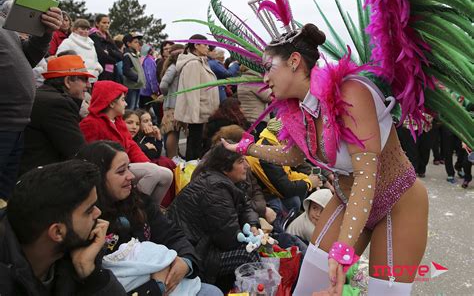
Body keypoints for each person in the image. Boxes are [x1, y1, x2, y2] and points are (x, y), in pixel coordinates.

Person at [223, 23, 428, 295]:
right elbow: (294, 156)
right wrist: (247, 149)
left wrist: (343, 248)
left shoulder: (351, 93)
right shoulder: (300, 110)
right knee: (310, 285)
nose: (265, 79)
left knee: (384, 293)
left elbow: (367, 177)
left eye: (268, 67)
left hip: (398, 203)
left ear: (294, 61)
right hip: (347, 200)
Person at [75, 141, 223, 296]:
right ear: (98, 178)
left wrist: (186, 262)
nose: (131, 176)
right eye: (120, 172)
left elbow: (171, 233)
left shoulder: (137, 201)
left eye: (129, 168)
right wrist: (156, 287)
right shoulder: (87, 224)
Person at [0, 160, 127, 295]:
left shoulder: (71, 252)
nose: (98, 213)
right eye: (89, 210)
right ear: (58, 232)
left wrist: (90, 273)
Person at [167, 143, 260, 292]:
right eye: (241, 162)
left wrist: (252, 224)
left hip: (205, 245)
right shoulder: (215, 188)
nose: (247, 166)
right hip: (195, 254)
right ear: (225, 168)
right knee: (249, 256)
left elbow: (246, 205)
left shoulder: (225, 181)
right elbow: (229, 239)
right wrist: (251, 239)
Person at [0, 2, 62, 200]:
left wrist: (46, 32)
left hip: (15, 125)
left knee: (4, 197)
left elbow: (28, 58)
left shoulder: (4, 24)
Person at [80, 81, 173, 207]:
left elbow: (131, 146)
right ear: (112, 103)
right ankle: (133, 208)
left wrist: (146, 163)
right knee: (154, 172)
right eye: (123, 100)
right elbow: (89, 153)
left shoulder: (118, 122)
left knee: (167, 174)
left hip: (124, 166)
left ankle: (151, 210)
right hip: (108, 171)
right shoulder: (91, 123)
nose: (126, 103)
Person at [19, 55, 94, 175]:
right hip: (40, 178)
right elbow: (77, 151)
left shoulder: (44, 96)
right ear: (68, 81)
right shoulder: (57, 104)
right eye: (85, 79)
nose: (89, 85)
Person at [246, 118, 321, 215]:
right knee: (294, 200)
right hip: (264, 195)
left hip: (271, 190)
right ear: (283, 136)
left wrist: (307, 178)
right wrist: (309, 182)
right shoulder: (267, 154)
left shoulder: (272, 144)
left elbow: (287, 174)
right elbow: (284, 190)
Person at [174, 34, 220, 160]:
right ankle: (191, 172)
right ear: (196, 45)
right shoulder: (193, 64)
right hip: (199, 113)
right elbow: (192, 92)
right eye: (204, 45)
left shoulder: (201, 62)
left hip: (203, 112)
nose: (207, 48)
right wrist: (193, 117)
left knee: (198, 144)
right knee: (194, 145)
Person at [159, 43, 185, 158]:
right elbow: (163, 84)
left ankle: (174, 157)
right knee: (172, 132)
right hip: (172, 106)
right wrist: (168, 95)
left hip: (175, 105)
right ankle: (172, 158)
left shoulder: (177, 67)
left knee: (175, 132)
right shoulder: (173, 67)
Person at [237, 65, 273, 138]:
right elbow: (269, 96)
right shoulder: (254, 80)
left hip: (250, 117)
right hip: (258, 119)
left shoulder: (244, 78)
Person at [89, 14, 123, 81]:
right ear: (97, 23)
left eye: (108, 23)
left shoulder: (108, 37)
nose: (107, 25)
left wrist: (110, 52)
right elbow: (101, 56)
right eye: (104, 23)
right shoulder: (94, 37)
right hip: (101, 72)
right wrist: (114, 59)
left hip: (112, 72)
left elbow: (121, 55)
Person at [122, 33, 146, 110]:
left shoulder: (134, 55)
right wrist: (137, 78)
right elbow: (126, 70)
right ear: (128, 44)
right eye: (135, 42)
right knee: (130, 108)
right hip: (131, 87)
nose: (138, 44)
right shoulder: (127, 55)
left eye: (138, 42)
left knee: (135, 107)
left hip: (137, 86)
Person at [139, 44, 161, 122]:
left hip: (140, 90)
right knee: (146, 112)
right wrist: (155, 90)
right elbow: (152, 76)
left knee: (140, 111)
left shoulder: (140, 59)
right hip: (148, 91)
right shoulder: (149, 60)